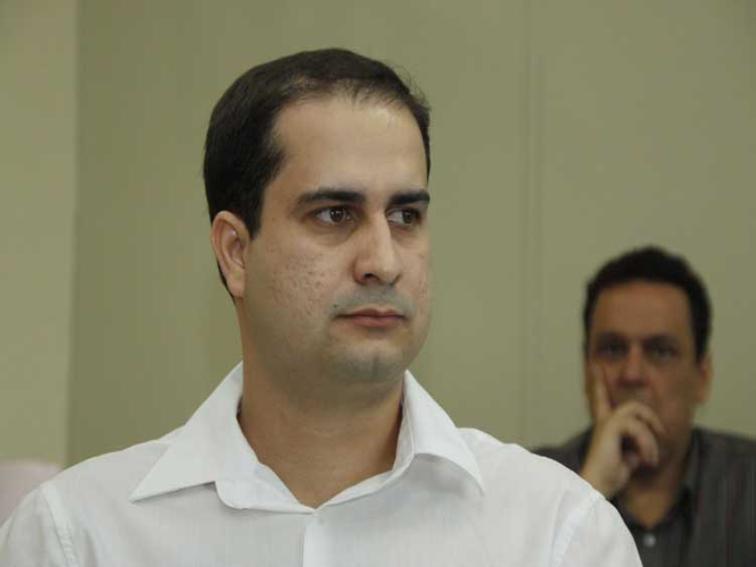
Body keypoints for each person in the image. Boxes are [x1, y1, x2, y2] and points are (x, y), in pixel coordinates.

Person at [0, 48, 640, 566]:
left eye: (405, 216)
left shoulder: (557, 536)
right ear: (235, 253)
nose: (383, 260)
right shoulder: (78, 539)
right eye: (335, 214)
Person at [536, 246, 756, 566]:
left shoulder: (747, 484)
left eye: (660, 351)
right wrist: (590, 487)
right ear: (586, 371)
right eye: (613, 350)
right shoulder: (533, 481)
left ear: (703, 377)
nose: (632, 374)